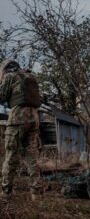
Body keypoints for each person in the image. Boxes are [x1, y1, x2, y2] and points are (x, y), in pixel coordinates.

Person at [0, 59, 42, 201]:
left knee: (11, 155)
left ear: (5, 69)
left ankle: (6, 193)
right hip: (34, 118)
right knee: (32, 156)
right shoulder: (31, 76)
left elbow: (2, 97)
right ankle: (36, 193)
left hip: (18, 118)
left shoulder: (10, 76)